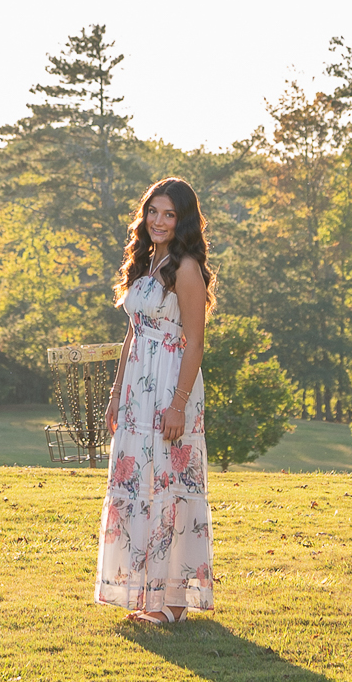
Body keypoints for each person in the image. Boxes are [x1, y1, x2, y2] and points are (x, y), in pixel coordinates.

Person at [94, 176, 214, 624]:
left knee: (169, 488)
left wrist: (179, 404)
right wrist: (114, 395)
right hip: (135, 392)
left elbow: (196, 343)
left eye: (169, 214)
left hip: (169, 387)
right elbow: (132, 334)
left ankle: (174, 604)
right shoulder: (145, 262)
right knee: (138, 488)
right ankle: (142, 593)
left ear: (182, 220)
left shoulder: (185, 268)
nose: (159, 221)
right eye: (153, 212)